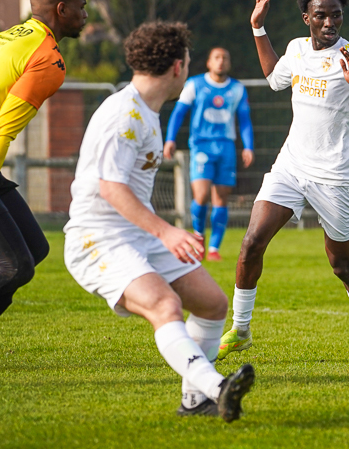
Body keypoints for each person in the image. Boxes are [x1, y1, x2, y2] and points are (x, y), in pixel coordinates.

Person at [63, 21, 254, 420]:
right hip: (96, 239)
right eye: (186, 60)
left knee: (212, 304)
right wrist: (165, 230)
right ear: (177, 68)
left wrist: (159, 233)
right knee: (164, 304)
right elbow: (111, 189)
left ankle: (194, 400)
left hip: (137, 235)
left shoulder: (146, 110)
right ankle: (217, 388)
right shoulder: (124, 115)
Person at [217, 0, 349, 361]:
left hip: (335, 176)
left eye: (336, 15)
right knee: (251, 241)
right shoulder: (297, 49)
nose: (329, 22)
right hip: (291, 165)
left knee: (341, 264)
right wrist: (258, 27)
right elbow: (274, 79)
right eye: (321, 15)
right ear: (307, 17)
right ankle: (239, 329)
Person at [0, 0, 87, 352]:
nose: (86, 14)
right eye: (82, 5)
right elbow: (0, 133)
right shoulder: (47, 60)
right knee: (13, 267)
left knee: (34, 249)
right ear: (62, 9)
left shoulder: (5, 36)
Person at [163, 47, 255, 261]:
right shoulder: (195, 85)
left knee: (221, 199)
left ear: (229, 63)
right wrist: (170, 139)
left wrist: (248, 146)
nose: (221, 61)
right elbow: (178, 113)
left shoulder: (237, 89)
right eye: (216, 58)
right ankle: (198, 236)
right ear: (208, 63)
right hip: (202, 145)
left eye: (225, 57)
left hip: (226, 147)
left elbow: (244, 121)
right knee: (202, 195)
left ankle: (213, 249)